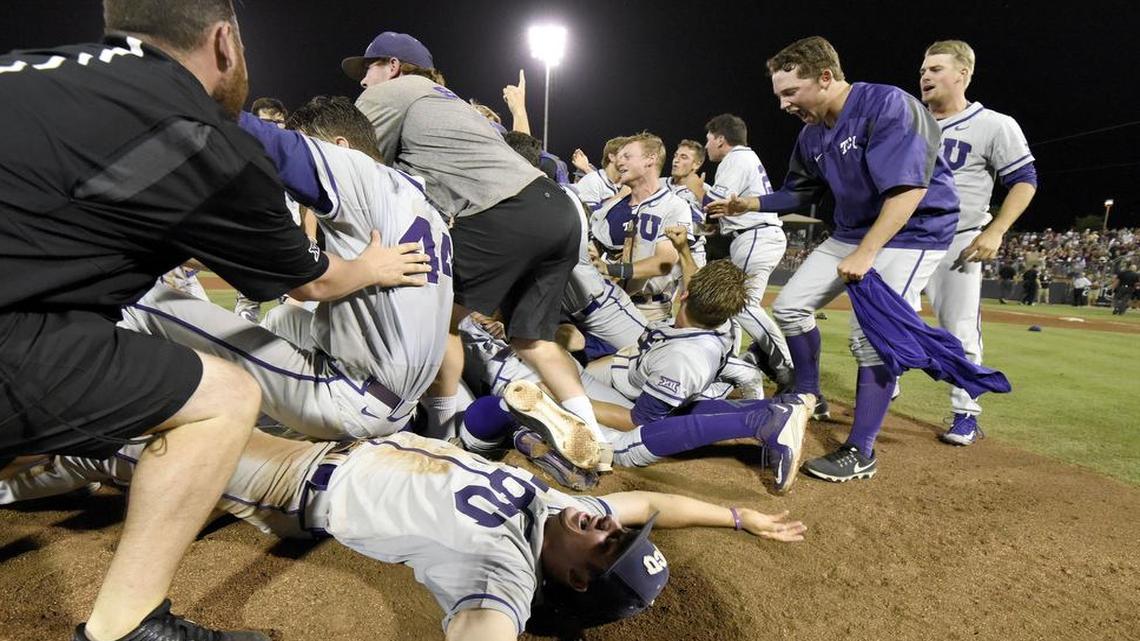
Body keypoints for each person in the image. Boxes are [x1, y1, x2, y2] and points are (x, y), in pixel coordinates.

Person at [0, 2, 426, 640]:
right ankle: (127, 626)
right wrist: (371, 266)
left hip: (27, 311)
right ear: (224, 42)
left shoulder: (29, 67)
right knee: (224, 397)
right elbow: (313, 281)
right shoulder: (203, 133)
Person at [0, 429, 808, 640]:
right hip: (320, 455)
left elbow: (488, 626)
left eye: (607, 547)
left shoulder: (501, 570)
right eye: (616, 534)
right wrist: (738, 515)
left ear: (574, 580)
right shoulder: (555, 510)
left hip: (300, 480)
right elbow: (636, 500)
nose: (606, 525)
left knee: (152, 436)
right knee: (133, 457)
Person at [345, 31, 610, 462]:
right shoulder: (449, 99)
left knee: (440, 323)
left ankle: (441, 431)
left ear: (393, 66)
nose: (363, 80)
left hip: (502, 213)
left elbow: (349, 161)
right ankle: (594, 440)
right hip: (556, 207)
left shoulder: (394, 92)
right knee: (534, 341)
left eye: (369, 68)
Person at [123, 95, 453, 440]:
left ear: (341, 146)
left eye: (310, 143)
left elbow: (261, 141)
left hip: (353, 399)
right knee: (283, 319)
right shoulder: (421, 203)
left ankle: (114, 427)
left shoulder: (357, 172)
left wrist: (169, 91)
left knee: (142, 299)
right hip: (400, 400)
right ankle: (281, 423)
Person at [707, 36, 960, 482]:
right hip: (853, 231)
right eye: (780, 95)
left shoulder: (887, 104)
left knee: (871, 337)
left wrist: (867, 252)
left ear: (825, 77)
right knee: (788, 307)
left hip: (912, 230)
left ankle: (861, 451)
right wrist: (751, 204)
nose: (784, 104)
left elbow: (909, 189)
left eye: (790, 92)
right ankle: (808, 393)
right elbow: (800, 192)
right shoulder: (811, 134)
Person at [917, 39, 1038, 445]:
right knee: (882, 320)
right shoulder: (911, 121)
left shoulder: (994, 124)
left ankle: (965, 412)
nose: (925, 75)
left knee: (959, 330)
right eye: (923, 70)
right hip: (907, 238)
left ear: (962, 74)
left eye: (935, 69)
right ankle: (881, 393)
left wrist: (996, 230)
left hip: (959, 242)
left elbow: (1024, 180)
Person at [702, 114, 795, 392]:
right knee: (736, 309)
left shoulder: (735, 159)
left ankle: (787, 367)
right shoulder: (746, 158)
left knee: (740, 305)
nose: (706, 146)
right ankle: (745, 362)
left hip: (755, 235)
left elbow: (713, 204)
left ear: (720, 139)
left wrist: (697, 188)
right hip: (755, 236)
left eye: (709, 139)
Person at [590, 133, 692, 322]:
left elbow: (664, 263)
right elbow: (594, 248)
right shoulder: (612, 207)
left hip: (649, 310)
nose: (619, 161)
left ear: (650, 160)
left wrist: (611, 269)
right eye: (619, 156)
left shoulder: (674, 206)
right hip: (607, 303)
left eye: (627, 156)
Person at [572, 136, 630, 211]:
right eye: (626, 156)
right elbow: (588, 215)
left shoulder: (627, 184)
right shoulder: (593, 180)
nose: (631, 161)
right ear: (612, 157)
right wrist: (620, 197)